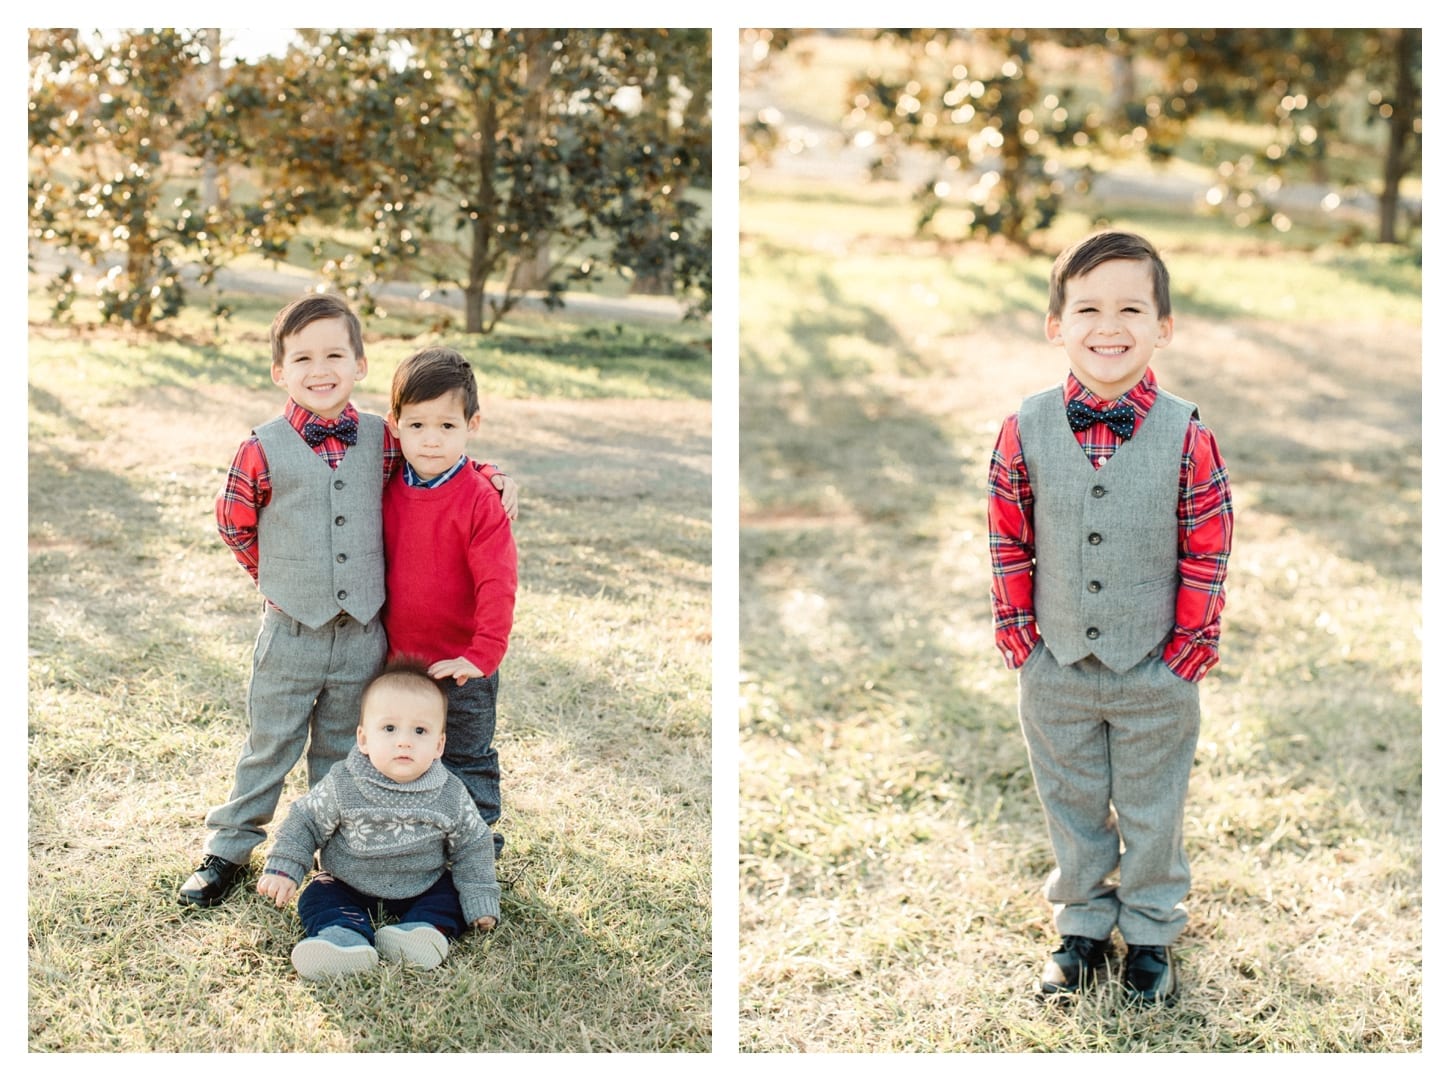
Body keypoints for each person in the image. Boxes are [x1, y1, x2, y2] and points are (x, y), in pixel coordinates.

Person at [178, 293, 517, 908]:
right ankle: (227, 850)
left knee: (342, 751)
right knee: (269, 743)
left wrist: (490, 475)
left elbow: (433, 453)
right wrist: (276, 580)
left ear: (360, 363)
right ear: (280, 371)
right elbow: (234, 522)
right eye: (302, 357)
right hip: (291, 631)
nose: (320, 368)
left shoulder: (381, 440)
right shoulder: (263, 446)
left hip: (365, 635)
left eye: (335, 353)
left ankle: (333, 857)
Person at [987, 230, 1233, 1005]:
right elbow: (1007, 534)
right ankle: (1082, 927)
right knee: (1071, 798)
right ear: (1055, 322)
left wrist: (1189, 648)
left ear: (1165, 324)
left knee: (1154, 804)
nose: (1108, 325)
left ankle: (1153, 934)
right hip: (1054, 664)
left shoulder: (1186, 432)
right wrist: (1021, 637)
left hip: (1155, 665)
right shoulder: (1024, 427)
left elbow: (1208, 542)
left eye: (1132, 306)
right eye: (1087, 306)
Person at [256, 662, 500, 981]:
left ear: (439, 745)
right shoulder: (344, 783)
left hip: (422, 883)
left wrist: (480, 897)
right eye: (389, 729)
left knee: (449, 895)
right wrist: (285, 866)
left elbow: (474, 845)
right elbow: (306, 821)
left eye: (420, 731)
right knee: (318, 895)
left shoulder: (449, 793)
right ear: (363, 739)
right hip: (348, 882)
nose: (404, 742)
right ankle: (342, 937)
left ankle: (422, 932)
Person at [382, 347, 518, 858]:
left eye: (446, 425)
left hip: (463, 663)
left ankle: (475, 849)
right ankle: (416, 844)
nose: (431, 440)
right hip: (400, 661)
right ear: (395, 425)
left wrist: (481, 656)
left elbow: (497, 584)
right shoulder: (388, 485)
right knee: (408, 753)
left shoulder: (481, 499)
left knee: (465, 756)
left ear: (472, 424)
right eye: (416, 425)